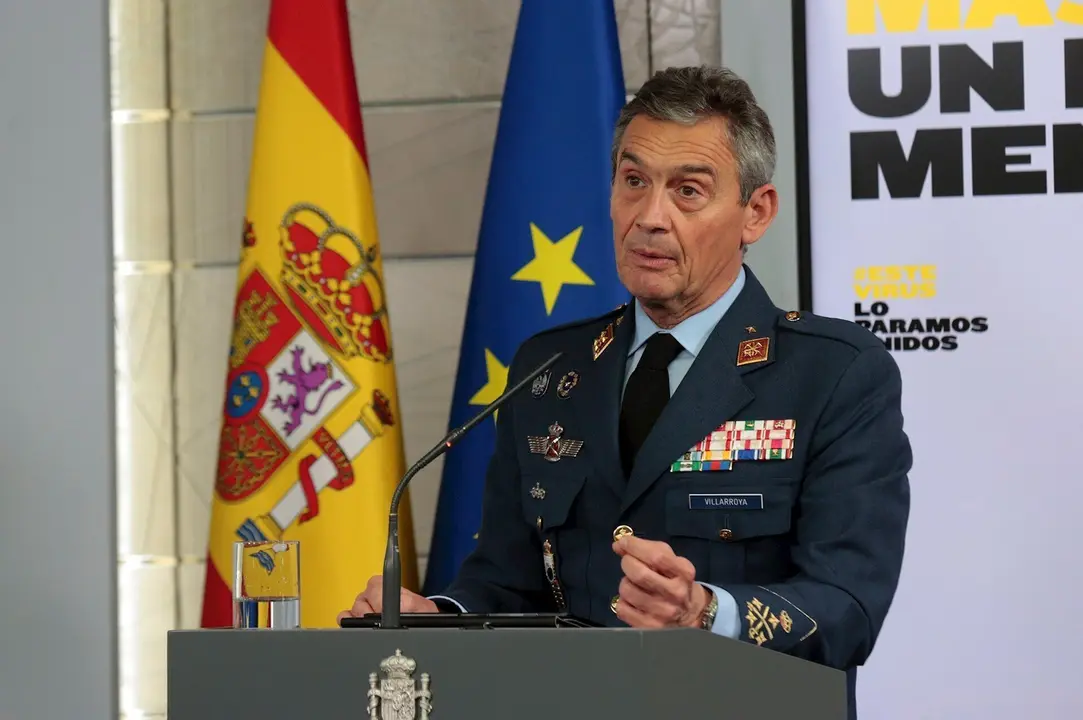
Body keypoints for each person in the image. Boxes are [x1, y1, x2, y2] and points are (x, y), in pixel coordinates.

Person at [340, 65, 911, 718]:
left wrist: (705, 612)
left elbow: (847, 607)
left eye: (687, 191)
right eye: (632, 182)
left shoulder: (832, 374)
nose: (649, 218)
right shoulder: (548, 368)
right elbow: (503, 578)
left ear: (755, 213)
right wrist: (436, 614)